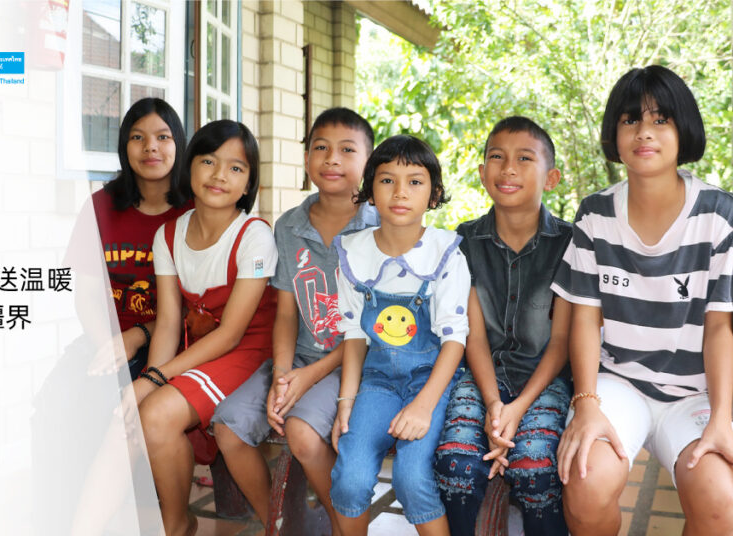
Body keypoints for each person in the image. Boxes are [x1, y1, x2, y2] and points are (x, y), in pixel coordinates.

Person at [552, 65, 733, 535]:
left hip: (695, 392)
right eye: (630, 119)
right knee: (585, 480)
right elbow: (585, 320)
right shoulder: (595, 215)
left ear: (683, 129)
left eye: (660, 119)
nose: (644, 132)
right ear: (614, 134)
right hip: (618, 384)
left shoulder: (719, 215)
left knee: (722, 501)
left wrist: (722, 418)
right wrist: (586, 403)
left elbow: (721, 328)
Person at [211, 107, 379, 531]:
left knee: (301, 432)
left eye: (347, 150)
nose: (332, 159)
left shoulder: (381, 227)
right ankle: (283, 524)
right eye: (320, 148)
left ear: (369, 162)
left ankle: (344, 525)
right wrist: (283, 376)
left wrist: (307, 378)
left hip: (357, 365)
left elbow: (374, 329)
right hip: (298, 358)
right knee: (228, 426)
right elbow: (285, 313)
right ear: (306, 159)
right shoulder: (289, 226)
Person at [136, 119, 278, 536]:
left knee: (156, 413)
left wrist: (157, 378)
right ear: (190, 166)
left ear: (249, 182)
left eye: (236, 168)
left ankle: (269, 525)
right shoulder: (168, 234)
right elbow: (168, 321)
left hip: (248, 350)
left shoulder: (254, 235)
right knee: (147, 412)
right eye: (209, 161)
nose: (220, 175)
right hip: (201, 349)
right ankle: (177, 521)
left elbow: (232, 333)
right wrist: (151, 377)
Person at [433, 116, 572, 535]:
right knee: (456, 463)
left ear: (551, 178)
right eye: (497, 157)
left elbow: (561, 341)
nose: (508, 168)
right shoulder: (464, 242)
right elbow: (472, 335)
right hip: (480, 376)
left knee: (533, 465)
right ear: (482, 173)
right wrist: (495, 404)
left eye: (524, 159)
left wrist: (517, 407)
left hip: (544, 380)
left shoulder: (570, 244)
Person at [329, 135, 469, 536]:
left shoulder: (446, 252)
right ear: (370, 189)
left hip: (432, 381)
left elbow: (455, 339)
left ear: (434, 193)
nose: (400, 192)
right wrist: (345, 402)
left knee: (411, 477)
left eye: (415, 181)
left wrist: (423, 406)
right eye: (387, 180)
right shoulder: (352, 252)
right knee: (350, 477)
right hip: (377, 382)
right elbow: (354, 334)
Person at [91, 97, 192, 380]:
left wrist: (137, 336)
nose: (150, 146)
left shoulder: (196, 210)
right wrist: (108, 348)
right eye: (138, 137)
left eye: (163, 137)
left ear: (178, 144)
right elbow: (86, 294)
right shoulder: (100, 206)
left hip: (178, 341)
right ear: (124, 146)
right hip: (108, 340)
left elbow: (201, 305)